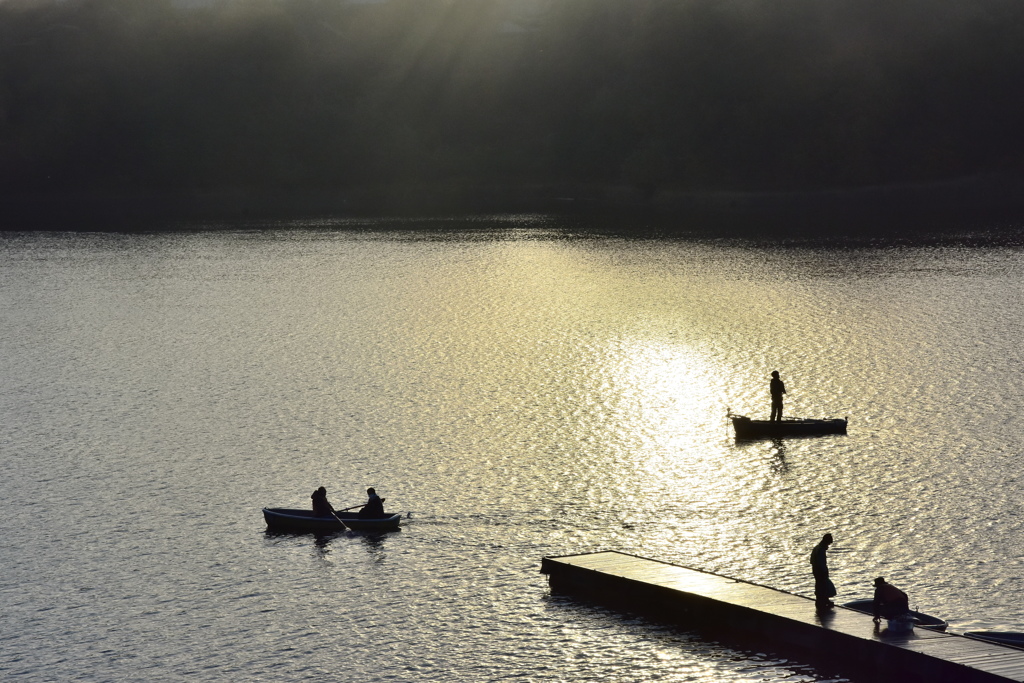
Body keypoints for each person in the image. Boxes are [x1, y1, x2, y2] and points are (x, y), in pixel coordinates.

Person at [810, 533, 836, 610]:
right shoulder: (821, 550)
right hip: (820, 571)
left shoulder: (817, 548)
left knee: (819, 586)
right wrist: (824, 571)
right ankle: (823, 601)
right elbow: (821, 564)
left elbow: (812, 561)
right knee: (822, 586)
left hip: (816, 570)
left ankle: (821, 600)